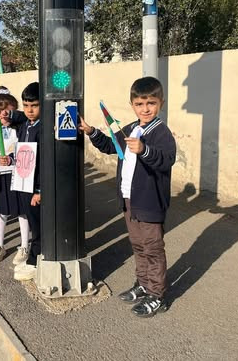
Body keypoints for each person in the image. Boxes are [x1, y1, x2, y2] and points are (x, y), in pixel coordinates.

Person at [79, 76, 176, 317]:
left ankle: (157, 295)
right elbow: (112, 146)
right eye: (140, 104)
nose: (145, 109)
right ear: (132, 104)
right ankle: (143, 284)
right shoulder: (132, 128)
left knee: (153, 248)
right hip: (129, 200)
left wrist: (144, 150)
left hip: (150, 202)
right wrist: (92, 132)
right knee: (138, 245)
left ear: (161, 103)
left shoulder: (161, 133)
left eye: (151, 103)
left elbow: (166, 160)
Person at [0, 88, 30, 265]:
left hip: (18, 173)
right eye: (1, 112)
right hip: (0, 176)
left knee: (22, 210)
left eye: (9, 111)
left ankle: (24, 246)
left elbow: (22, 118)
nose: (5, 116)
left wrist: (12, 115)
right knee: (1, 211)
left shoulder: (21, 127)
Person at [11, 82, 42, 281]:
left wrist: (40, 190)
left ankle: (36, 261)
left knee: (38, 225)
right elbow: (22, 154)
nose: (29, 110)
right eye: (26, 106)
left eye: (34, 106)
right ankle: (33, 255)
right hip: (24, 183)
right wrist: (10, 160)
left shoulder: (44, 128)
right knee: (31, 221)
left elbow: (45, 163)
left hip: (35, 186)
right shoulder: (25, 126)